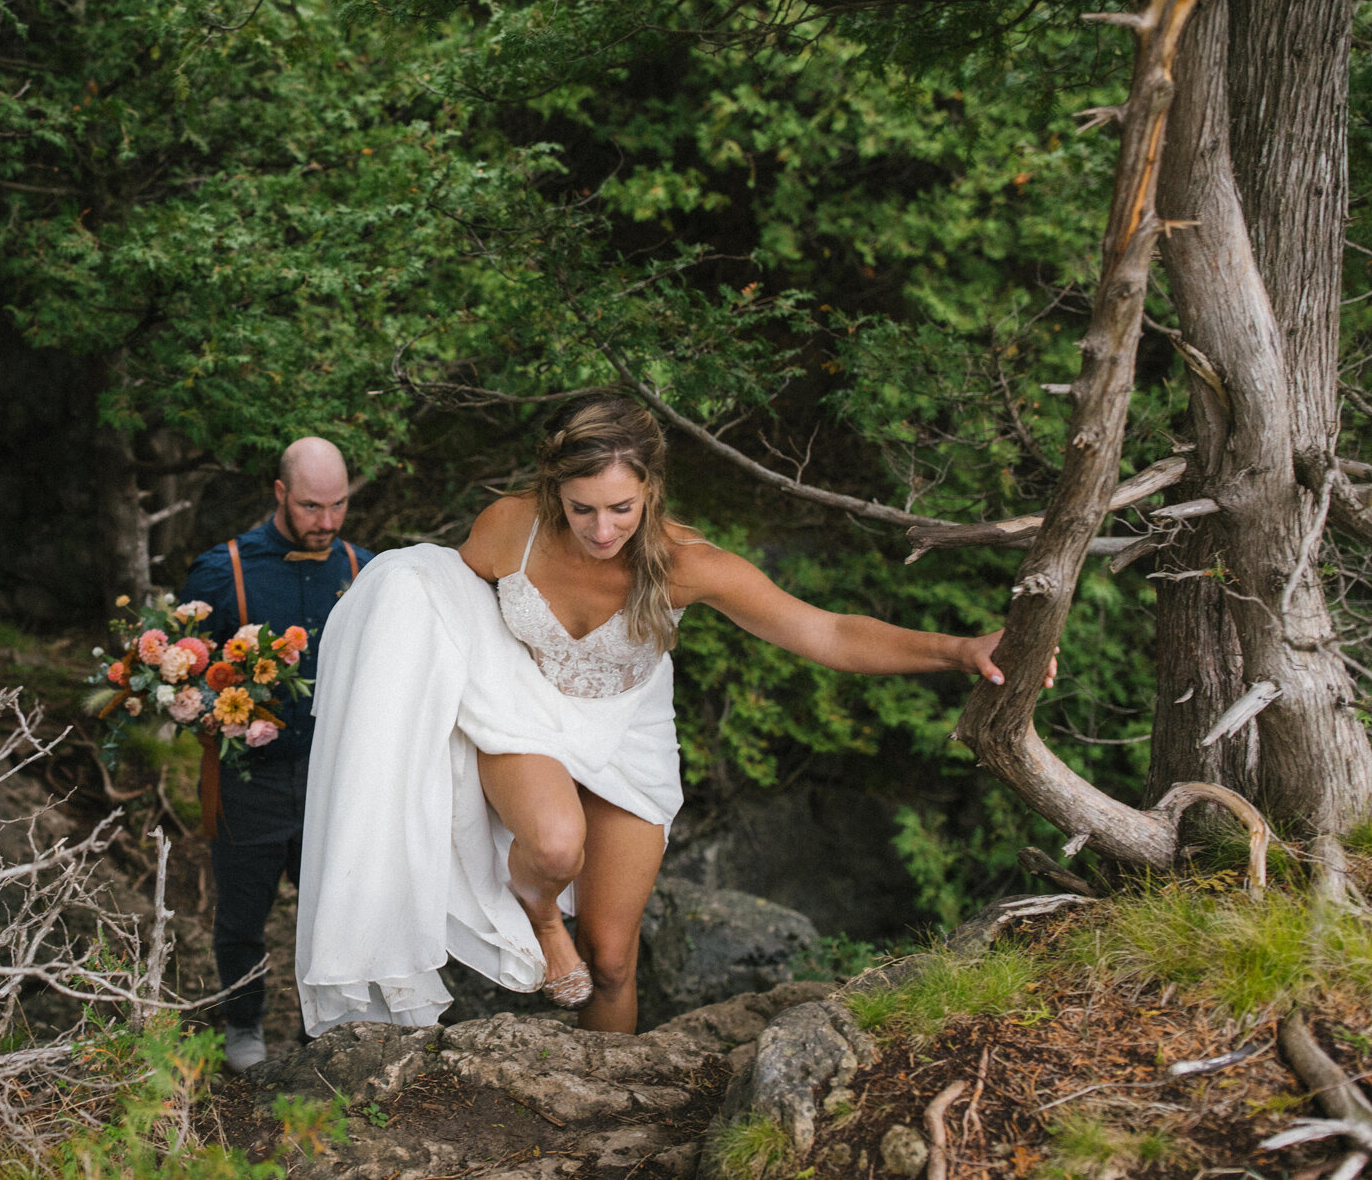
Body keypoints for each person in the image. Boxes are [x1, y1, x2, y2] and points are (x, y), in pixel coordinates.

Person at [296, 395, 1051, 1036]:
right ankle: (541, 917)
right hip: (522, 708)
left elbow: (825, 630)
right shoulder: (508, 527)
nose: (600, 530)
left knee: (614, 955)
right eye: (582, 508)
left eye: (621, 508)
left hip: (628, 733)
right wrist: (396, 634)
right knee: (557, 849)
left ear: (651, 489)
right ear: (554, 488)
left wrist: (959, 649)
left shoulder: (691, 562)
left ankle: (603, 1102)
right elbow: (448, 607)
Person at [178, 437, 374, 1071]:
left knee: (338, 910)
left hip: (336, 780)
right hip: (250, 778)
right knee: (241, 914)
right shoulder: (222, 568)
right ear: (281, 495)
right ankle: (244, 1027)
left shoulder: (365, 570)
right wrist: (210, 712)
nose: (327, 522)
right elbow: (182, 672)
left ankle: (333, 1030)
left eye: (339, 505)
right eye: (313, 506)